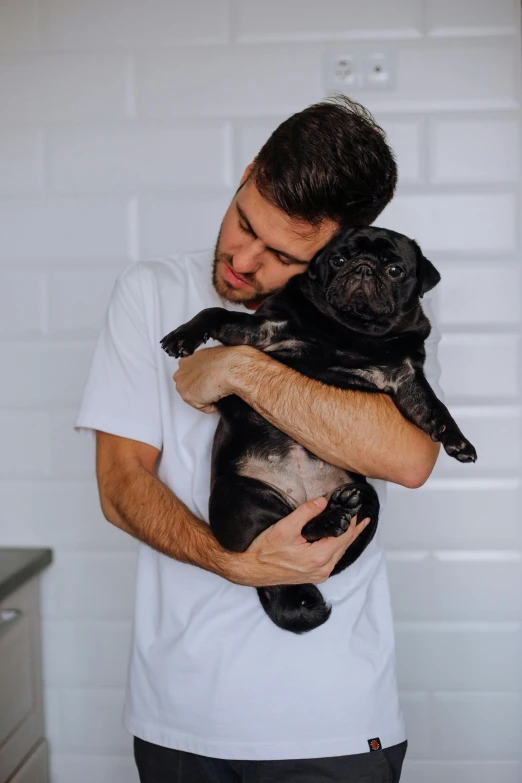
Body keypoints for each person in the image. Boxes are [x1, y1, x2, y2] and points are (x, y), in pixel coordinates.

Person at [75, 95, 443, 783]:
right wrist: (233, 562)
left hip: (337, 713)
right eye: (244, 221)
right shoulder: (149, 292)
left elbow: (409, 456)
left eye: (282, 255)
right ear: (248, 173)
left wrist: (244, 366)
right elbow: (120, 484)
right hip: (181, 713)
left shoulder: (381, 311)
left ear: (336, 250)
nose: (243, 261)